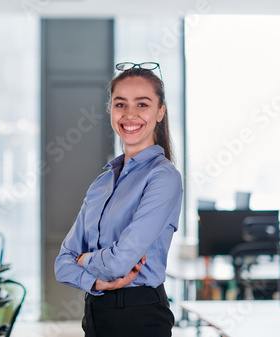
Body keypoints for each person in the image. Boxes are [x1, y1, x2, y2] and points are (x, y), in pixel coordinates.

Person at [54, 62, 183, 337]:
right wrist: (99, 284)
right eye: (120, 104)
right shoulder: (101, 183)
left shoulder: (163, 178)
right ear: (111, 110)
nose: (130, 114)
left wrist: (84, 259)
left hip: (140, 318)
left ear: (160, 112)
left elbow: (120, 263)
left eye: (143, 104)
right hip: (95, 314)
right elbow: (61, 265)